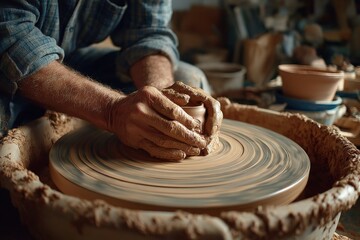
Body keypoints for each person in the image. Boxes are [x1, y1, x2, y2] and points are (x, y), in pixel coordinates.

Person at [0, 1, 223, 161]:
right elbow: (11, 37)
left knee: (188, 78)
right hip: (8, 55)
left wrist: (163, 99)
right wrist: (111, 110)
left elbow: (149, 31)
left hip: (67, 55)